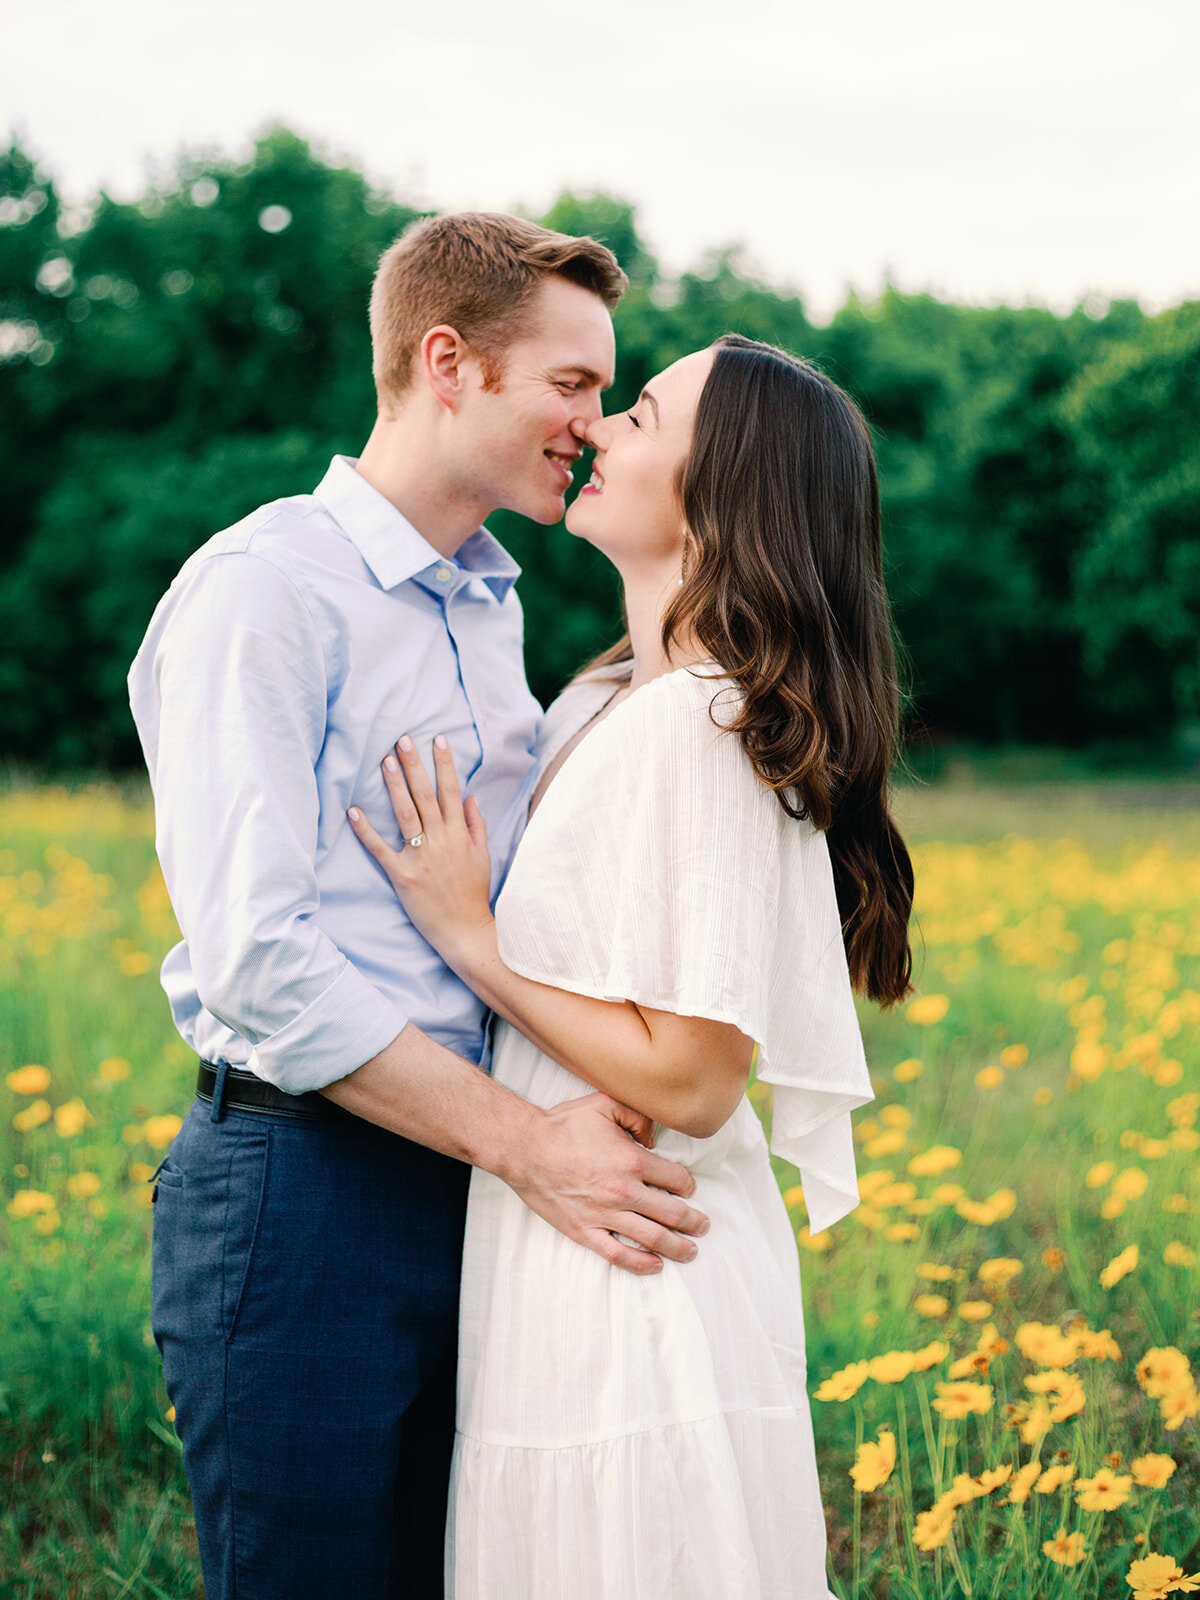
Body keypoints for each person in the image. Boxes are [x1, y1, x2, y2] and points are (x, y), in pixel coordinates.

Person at [126, 212, 711, 1600]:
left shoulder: (492, 604)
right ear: (449, 363)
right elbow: (260, 963)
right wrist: (531, 1147)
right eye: (571, 385)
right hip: (302, 1189)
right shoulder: (265, 593)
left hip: (475, 1186)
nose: (589, 423)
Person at [348, 334, 916, 1599]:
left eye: (643, 414)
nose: (600, 429)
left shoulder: (703, 722)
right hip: (569, 1233)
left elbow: (700, 1076)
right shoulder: (607, 699)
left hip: (640, 1281)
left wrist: (471, 945)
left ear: (725, 496)